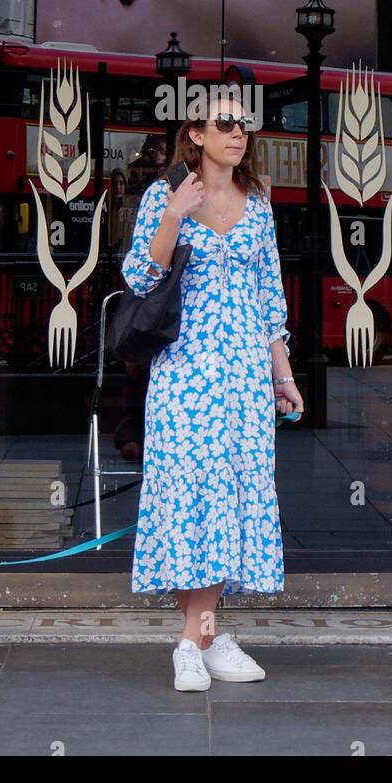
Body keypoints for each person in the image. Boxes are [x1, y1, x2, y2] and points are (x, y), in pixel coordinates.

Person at [121, 95, 303, 692]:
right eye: (224, 123)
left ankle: (198, 639)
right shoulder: (163, 198)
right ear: (194, 134)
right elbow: (140, 277)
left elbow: (270, 299)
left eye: (243, 124)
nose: (238, 132)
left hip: (245, 375)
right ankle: (201, 637)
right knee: (187, 495)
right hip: (183, 372)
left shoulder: (258, 207)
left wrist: (283, 376)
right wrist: (175, 213)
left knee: (235, 497)